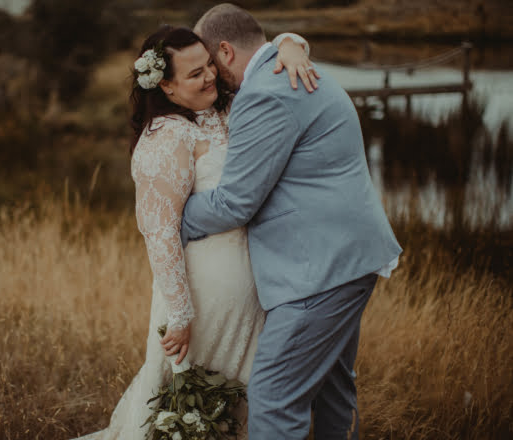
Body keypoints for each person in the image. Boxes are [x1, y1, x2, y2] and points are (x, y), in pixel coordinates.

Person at [73, 24, 317, 440]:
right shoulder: (165, 138)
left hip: (254, 286)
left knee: (245, 398)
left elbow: (263, 53)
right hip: (202, 297)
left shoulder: (224, 108)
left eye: (208, 65)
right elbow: (160, 233)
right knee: (195, 405)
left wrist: (291, 45)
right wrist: (180, 315)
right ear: (165, 86)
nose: (209, 77)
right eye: (194, 73)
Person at [178, 4, 403, 439]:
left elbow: (234, 203)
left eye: (209, 63)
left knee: (274, 398)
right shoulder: (289, 69)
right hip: (348, 258)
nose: (209, 76)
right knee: (334, 389)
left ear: (225, 51)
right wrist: (290, 40)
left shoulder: (265, 92)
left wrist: (172, 217)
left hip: (317, 273)